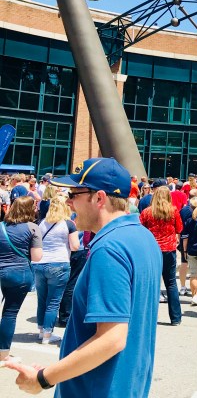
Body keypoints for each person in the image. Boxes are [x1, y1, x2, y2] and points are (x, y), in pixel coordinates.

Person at [8, 157, 162, 396]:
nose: (68, 202)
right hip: (127, 386)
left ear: (99, 198)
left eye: (74, 194)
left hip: (97, 389)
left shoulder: (109, 248)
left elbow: (112, 338)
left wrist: (42, 379)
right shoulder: (143, 236)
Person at [0, 196, 43, 365]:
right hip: (20, 274)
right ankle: (3, 354)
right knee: (10, 313)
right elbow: (37, 257)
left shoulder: (1, 226)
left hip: (2, 270)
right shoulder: (32, 228)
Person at [33, 195, 80, 343]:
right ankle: (48, 335)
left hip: (40, 263)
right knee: (53, 301)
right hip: (59, 263)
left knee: (42, 299)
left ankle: (41, 330)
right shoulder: (69, 224)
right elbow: (75, 246)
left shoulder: (41, 223)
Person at [139, 186, 183, 325]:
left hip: (152, 249)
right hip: (169, 249)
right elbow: (179, 228)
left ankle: (150, 317)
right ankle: (175, 318)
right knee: (171, 283)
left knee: (152, 283)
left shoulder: (147, 212)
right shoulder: (173, 211)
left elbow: (140, 228)